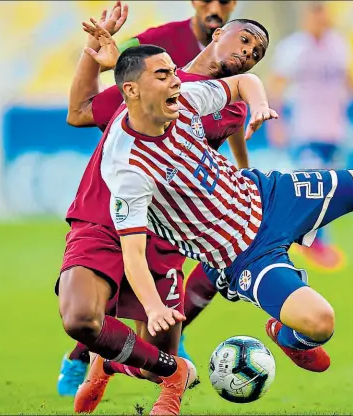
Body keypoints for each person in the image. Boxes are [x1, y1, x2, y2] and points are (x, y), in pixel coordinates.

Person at [101, 40, 353, 381]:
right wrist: (152, 308)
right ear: (132, 90)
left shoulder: (184, 98)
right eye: (162, 75)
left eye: (173, 72)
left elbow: (244, 81)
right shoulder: (128, 167)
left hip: (270, 195)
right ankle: (290, 338)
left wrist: (259, 105)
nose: (175, 82)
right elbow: (133, 254)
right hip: (242, 254)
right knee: (320, 322)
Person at [65, 13, 271, 413]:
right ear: (217, 34)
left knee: (154, 361)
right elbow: (79, 112)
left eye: (257, 53)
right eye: (244, 40)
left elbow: (240, 167)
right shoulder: (147, 83)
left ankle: (110, 363)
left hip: (165, 231)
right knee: (82, 317)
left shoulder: (227, 108)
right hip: (109, 217)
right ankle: (89, 361)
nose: (248, 54)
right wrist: (93, 55)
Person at [267, 1, 353, 271]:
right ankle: (313, 244)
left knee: (329, 190)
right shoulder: (293, 49)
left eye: (323, 14)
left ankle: (312, 241)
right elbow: (276, 87)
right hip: (306, 130)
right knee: (314, 187)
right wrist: (275, 123)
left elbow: (350, 79)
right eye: (316, 15)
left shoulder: (338, 45)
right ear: (307, 17)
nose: (320, 20)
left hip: (334, 130)